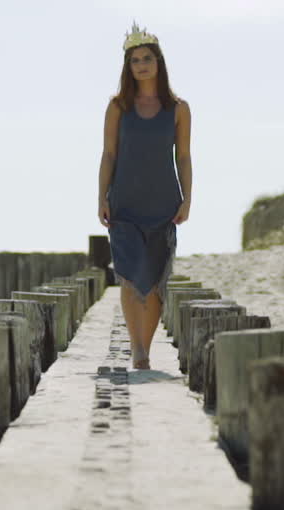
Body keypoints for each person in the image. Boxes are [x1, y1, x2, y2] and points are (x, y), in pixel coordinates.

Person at [98, 21, 192, 370]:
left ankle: (146, 348)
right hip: (124, 202)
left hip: (163, 204)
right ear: (128, 67)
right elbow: (108, 154)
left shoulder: (178, 108)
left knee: (153, 282)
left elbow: (184, 157)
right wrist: (102, 197)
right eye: (135, 60)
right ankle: (136, 349)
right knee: (128, 275)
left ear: (158, 62)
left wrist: (187, 199)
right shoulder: (118, 107)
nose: (141, 65)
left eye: (147, 58)